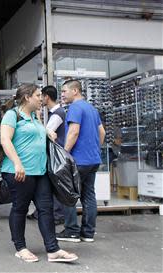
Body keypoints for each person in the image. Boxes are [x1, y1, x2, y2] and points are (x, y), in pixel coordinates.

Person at [0, 83, 78, 263]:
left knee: (46, 209)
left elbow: (37, 134)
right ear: (27, 97)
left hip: (40, 171)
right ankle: (20, 247)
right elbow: (5, 140)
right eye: (37, 96)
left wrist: (48, 132)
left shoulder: (35, 116)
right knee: (20, 208)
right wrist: (17, 163)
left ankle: (53, 249)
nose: (41, 99)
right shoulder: (12, 115)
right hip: (19, 171)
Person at [57, 79, 106, 243]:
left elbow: (73, 132)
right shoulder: (91, 108)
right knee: (89, 196)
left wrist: (64, 155)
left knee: (68, 194)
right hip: (93, 160)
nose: (62, 95)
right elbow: (102, 132)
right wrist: (94, 149)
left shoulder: (75, 108)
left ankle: (71, 231)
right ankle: (88, 233)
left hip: (78, 160)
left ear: (75, 91)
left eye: (64, 91)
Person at [30, 85, 66, 225]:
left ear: (47, 97)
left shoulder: (57, 114)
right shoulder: (55, 112)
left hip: (57, 154)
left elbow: (46, 133)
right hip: (55, 153)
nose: (40, 99)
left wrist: (38, 118)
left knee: (55, 183)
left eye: (40, 96)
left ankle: (57, 215)